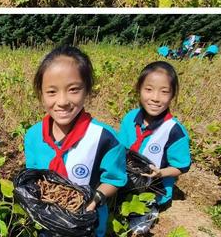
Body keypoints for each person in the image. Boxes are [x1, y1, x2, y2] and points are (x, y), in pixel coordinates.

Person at [24, 45, 127, 237]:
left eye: (73, 90)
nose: (62, 101)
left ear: (87, 90)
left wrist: (95, 199)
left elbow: (114, 179)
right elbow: (34, 177)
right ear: (41, 93)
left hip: (88, 222)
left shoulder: (104, 138)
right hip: (49, 221)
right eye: (51, 92)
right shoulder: (33, 136)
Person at [118, 62, 191, 235]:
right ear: (139, 90)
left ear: (172, 95)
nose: (155, 98)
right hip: (127, 180)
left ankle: (151, 210)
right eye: (149, 89)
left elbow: (181, 167)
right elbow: (121, 148)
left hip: (152, 188)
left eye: (164, 91)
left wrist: (160, 173)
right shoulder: (130, 118)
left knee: (136, 228)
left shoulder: (174, 131)